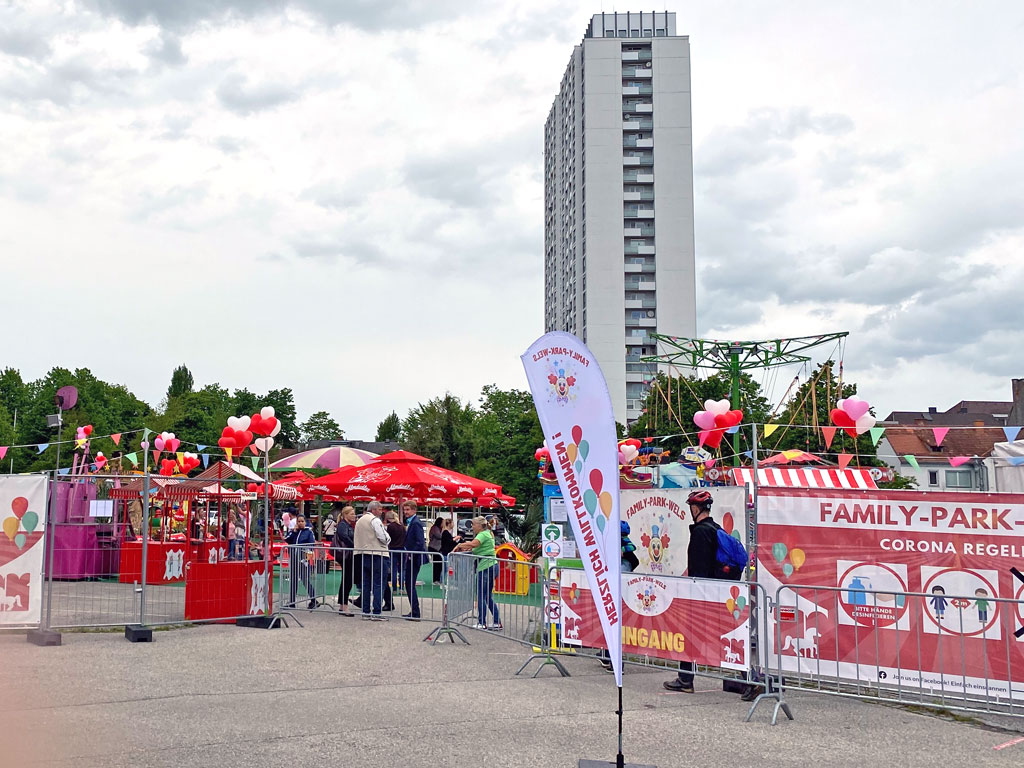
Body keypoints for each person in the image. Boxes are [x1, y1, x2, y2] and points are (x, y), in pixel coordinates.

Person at [664, 490, 756, 701]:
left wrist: (692, 589)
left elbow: (699, 568)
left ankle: (752, 679)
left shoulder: (700, 532)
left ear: (695, 509)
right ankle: (686, 679)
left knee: (720, 639)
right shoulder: (716, 529)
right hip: (720, 592)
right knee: (716, 637)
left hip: (706, 594)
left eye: (691, 508)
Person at [600, 520, 641, 672]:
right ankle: (605, 654)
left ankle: (615, 663)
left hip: (617, 594)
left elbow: (632, 562)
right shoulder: (627, 552)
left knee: (615, 627)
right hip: (619, 593)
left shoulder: (621, 552)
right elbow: (634, 562)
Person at [453, 515, 501, 630]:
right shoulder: (487, 533)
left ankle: (482, 622)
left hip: (485, 566)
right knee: (487, 596)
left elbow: (474, 544)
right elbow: (476, 546)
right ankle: (496, 622)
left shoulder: (482, 534)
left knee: (481, 595)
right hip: (490, 565)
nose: (472, 526)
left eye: (473, 524)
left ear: (479, 525)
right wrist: (469, 547)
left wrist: (460, 545)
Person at [354, 501, 391, 620]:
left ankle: (365, 611)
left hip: (362, 554)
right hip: (377, 554)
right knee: (378, 584)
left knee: (366, 584)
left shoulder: (359, 520)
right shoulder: (375, 520)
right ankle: (376, 612)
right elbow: (382, 537)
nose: (381, 512)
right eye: (380, 509)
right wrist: (387, 538)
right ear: (374, 510)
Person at [284, 515, 317, 609]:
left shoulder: (309, 532)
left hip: (303, 559)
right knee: (293, 579)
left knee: (304, 579)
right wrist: (293, 532)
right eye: (299, 521)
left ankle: (314, 599)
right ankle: (292, 601)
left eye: (302, 521)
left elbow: (311, 545)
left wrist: (307, 558)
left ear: (305, 522)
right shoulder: (294, 532)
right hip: (294, 558)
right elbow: (287, 539)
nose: (300, 523)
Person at [401, 501, 427, 620]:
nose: (406, 512)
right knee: (409, 584)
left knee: (410, 584)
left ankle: (415, 612)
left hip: (414, 557)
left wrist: (411, 553)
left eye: (408, 510)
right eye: (405, 510)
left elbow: (420, 542)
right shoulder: (412, 522)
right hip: (412, 556)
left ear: (414, 510)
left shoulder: (416, 523)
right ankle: (414, 610)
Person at [333, 505, 357, 616]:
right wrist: (354, 546)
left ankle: (343, 605)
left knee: (347, 579)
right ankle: (344, 605)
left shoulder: (347, 525)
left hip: (347, 555)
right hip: (346, 555)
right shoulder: (343, 525)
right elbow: (344, 537)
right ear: (345, 515)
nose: (354, 515)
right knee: (347, 579)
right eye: (352, 513)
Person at [382, 509, 406, 612]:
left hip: (392, 549)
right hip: (402, 549)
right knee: (402, 569)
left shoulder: (390, 527)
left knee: (393, 569)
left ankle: (395, 588)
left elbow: (387, 538)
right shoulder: (402, 526)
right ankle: (401, 587)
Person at [428, 517, 444, 584]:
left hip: (437, 548)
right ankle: (435, 579)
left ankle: (437, 579)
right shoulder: (435, 528)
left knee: (439, 564)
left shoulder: (438, 528)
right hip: (433, 547)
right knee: (437, 564)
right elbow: (439, 536)